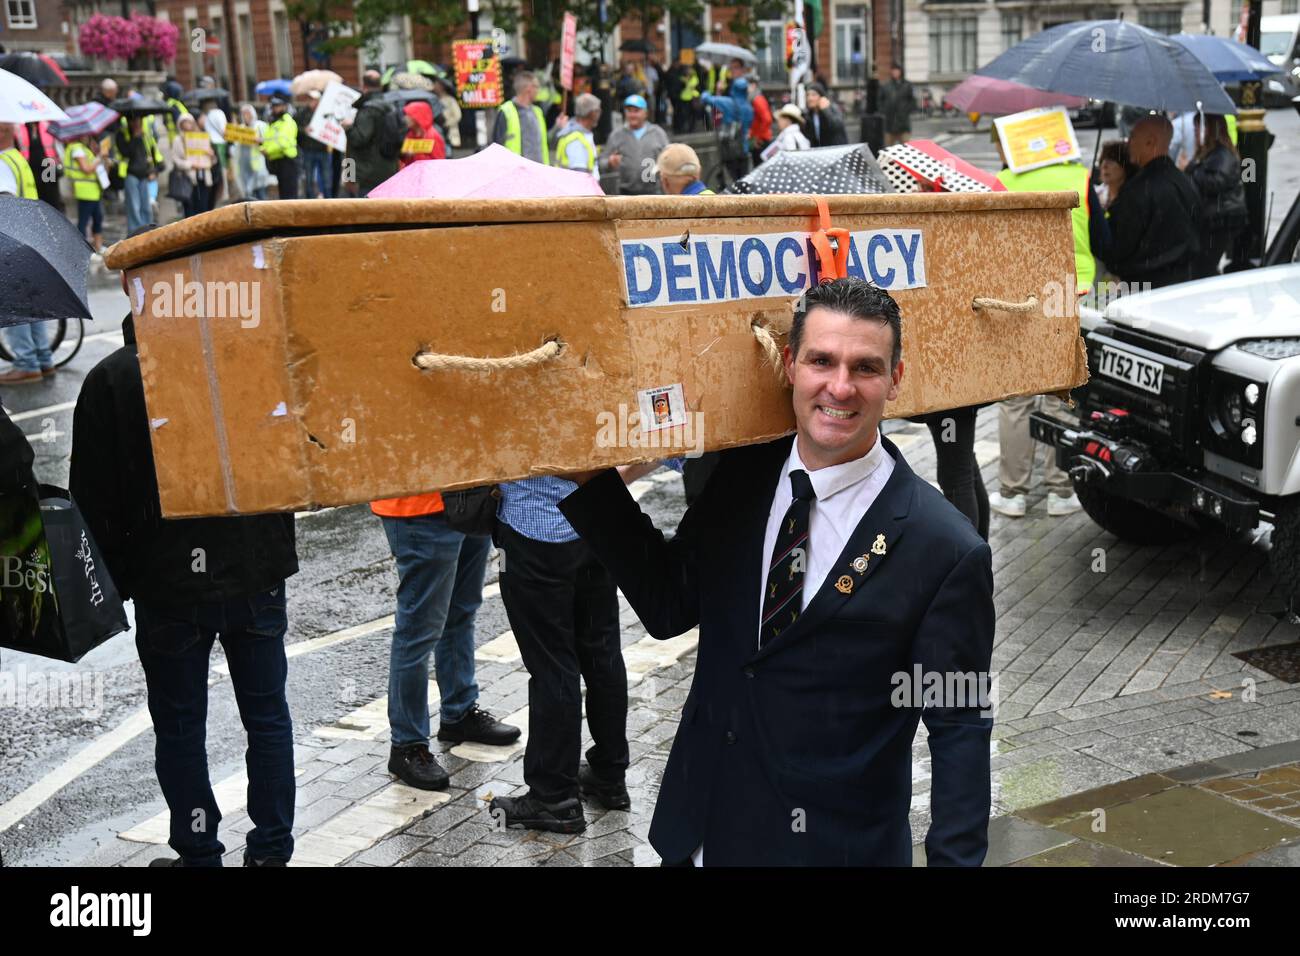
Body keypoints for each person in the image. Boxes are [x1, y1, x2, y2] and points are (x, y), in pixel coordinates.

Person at [558, 278, 995, 866]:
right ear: (790, 364)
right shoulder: (742, 474)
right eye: (821, 360)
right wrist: (591, 481)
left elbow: (958, 729)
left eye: (865, 367)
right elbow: (669, 605)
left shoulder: (945, 549)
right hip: (700, 833)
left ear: (896, 378)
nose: (839, 387)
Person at [70, 248, 300, 867]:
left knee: (179, 725)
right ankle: (272, 849)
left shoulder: (112, 380)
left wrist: (117, 584)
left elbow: (93, 503)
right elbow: (291, 462)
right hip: (254, 572)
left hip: (168, 584)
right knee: (267, 716)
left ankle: (198, 850)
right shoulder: (246, 356)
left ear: (130, 287)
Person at [487, 462, 649, 833]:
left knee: (552, 666)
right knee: (602, 653)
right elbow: (671, 443)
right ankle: (609, 776)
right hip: (595, 524)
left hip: (534, 531)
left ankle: (553, 797)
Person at [371, 492, 520, 790]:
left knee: (461, 611)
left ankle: (459, 712)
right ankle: (407, 744)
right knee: (418, 628)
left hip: (469, 494)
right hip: (418, 504)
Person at [990, 133, 1097, 519]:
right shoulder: (1083, 177)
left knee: (1016, 398)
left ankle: (1013, 493)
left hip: (1020, 298)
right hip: (1071, 291)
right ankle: (1060, 490)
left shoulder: (1005, 182)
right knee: (1060, 393)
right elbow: (1102, 237)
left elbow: (988, 242)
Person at [1101, 114, 1200, 289]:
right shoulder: (1185, 182)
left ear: (1150, 142)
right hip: (1184, 281)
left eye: (1133, 137)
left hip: (1145, 286)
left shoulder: (1138, 190)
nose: (1128, 143)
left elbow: (1119, 247)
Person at [1184, 113, 1247, 279]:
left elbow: (1216, 183)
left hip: (1220, 219)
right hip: (1210, 218)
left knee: (1203, 265)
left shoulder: (1223, 154)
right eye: (1195, 127)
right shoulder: (1206, 154)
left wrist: (1192, 170)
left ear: (1210, 130)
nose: (1196, 132)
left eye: (1199, 127)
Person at [598, 94, 670, 193]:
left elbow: (670, 158)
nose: (632, 115)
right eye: (629, 111)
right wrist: (610, 162)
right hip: (626, 192)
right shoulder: (617, 135)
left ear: (645, 113)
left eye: (636, 111)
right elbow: (601, 163)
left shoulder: (657, 133)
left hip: (653, 192)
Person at [343, 72, 398, 197]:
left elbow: (357, 140)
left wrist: (348, 128)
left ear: (364, 86)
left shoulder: (367, 110)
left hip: (366, 174)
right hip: (389, 169)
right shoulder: (391, 106)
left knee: (365, 212)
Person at [492, 71, 554, 165]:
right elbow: (497, 145)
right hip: (515, 172)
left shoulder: (537, 112)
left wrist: (558, 126)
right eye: (536, 86)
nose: (538, 90)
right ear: (528, 88)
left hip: (539, 171)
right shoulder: (506, 111)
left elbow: (544, 141)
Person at [115, 113, 163, 234]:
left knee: (146, 207)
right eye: (134, 121)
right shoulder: (122, 134)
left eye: (139, 120)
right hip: (130, 174)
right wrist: (135, 137)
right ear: (129, 122)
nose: (137, 123)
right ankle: (134, 233)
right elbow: (126, 152)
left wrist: (153, 170)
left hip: (144, 175)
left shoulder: (146, 134)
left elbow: (150, 153)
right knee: (134, 207)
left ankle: (148, 231)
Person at [702, 77, 755, 183]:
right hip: (743, 150)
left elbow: (705, 98)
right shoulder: (749, 108)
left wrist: (715, 90)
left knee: (733, 180)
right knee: (743, 182)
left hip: (728, 149)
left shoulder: (726, 102)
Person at [65, 132, 105, 255]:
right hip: (85, 191)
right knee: (84, 221)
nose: (86, 137)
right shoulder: (77, 149)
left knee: (98, 217)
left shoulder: (83, 149)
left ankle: (98, 246)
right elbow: (86, 169)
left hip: (93, 191)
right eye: (84, 135)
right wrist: (99, 158)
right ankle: (81, 250)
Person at [170, 113, 214, 218]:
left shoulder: (201, 137)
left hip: (203, 178)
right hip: (188, 180)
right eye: (184, 122)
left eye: (189, 122)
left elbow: (211, 161)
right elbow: (175, 160)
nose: (187, 125)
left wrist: (211, 155)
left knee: (203, 208)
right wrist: (190, 165)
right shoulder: (178, 140)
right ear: (180, 125)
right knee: (190, 209)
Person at [262, 95, 300, 200]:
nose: (275, 109)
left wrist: (267, 150)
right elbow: (268, 139)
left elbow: (283, 142)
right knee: (283, 194)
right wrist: (264, 148)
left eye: (277, 106)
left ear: (284, 107)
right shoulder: (275, 122)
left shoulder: (287, 122)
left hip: (287, 160)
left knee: (289, 194)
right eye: (273, 106)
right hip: (278, 160)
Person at [231, 102, 273, 201]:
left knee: (261, 194)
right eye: (243, 114)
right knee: (248, 195)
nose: (246, 116)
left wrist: (259, 140)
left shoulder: (261, 125)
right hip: (244, 166)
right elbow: (234, 144)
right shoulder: (241, 128)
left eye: (248, 113)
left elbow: (269, 141)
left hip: (257, 165)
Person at [555, 93, 601, 174]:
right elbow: (579, 175)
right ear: (591, 113)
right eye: (597, 110)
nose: (599, 113)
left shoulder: (580, 134)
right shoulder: (576, 140)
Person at [398, 100, 446, 168]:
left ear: (418, 117)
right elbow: (404, 161)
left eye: (409, 115)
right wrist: (406, 155)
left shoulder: (433, 136)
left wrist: (417, 154)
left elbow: (439, 163)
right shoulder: (410, 135)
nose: (405, 118)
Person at [200, 96, 227, 209]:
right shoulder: (219, 113)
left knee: (214, 172)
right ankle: (223, 194)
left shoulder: (205, 116)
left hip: (209, 142)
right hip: (219, 143)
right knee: (221, 172)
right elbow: (223, 129)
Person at [879, 64, 915, 147]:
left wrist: (906, 110)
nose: (895, 72)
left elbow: (913, 101)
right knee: (888, 151)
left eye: (897, 70)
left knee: (906, 150)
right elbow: (880, 100)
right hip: (889, 125)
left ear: (900, 71)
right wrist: (884, 110)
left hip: (904, 125)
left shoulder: (907, 85)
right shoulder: (886, 86)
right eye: (893, 70)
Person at [1096, 139, 1137, 211]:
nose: (1104, 165)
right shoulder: (1096, 195)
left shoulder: (1135, 198)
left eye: (1112, 160)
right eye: (1102, 160)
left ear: (1125, 167)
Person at [806, 82, 849, 147]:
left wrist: (826, 110)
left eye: (813, 95)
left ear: (822, 97)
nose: (810, 98)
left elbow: (837, 126)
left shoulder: (832, 108)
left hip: (836, 150)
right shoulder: (809, 114)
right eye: (808, 95)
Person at [748, 82, 773, 166]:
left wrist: (757, 138)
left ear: (753, 85)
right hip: (760, 138)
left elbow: (767, 119)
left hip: (761, 141)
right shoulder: (755, 98)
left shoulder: (757, 99)